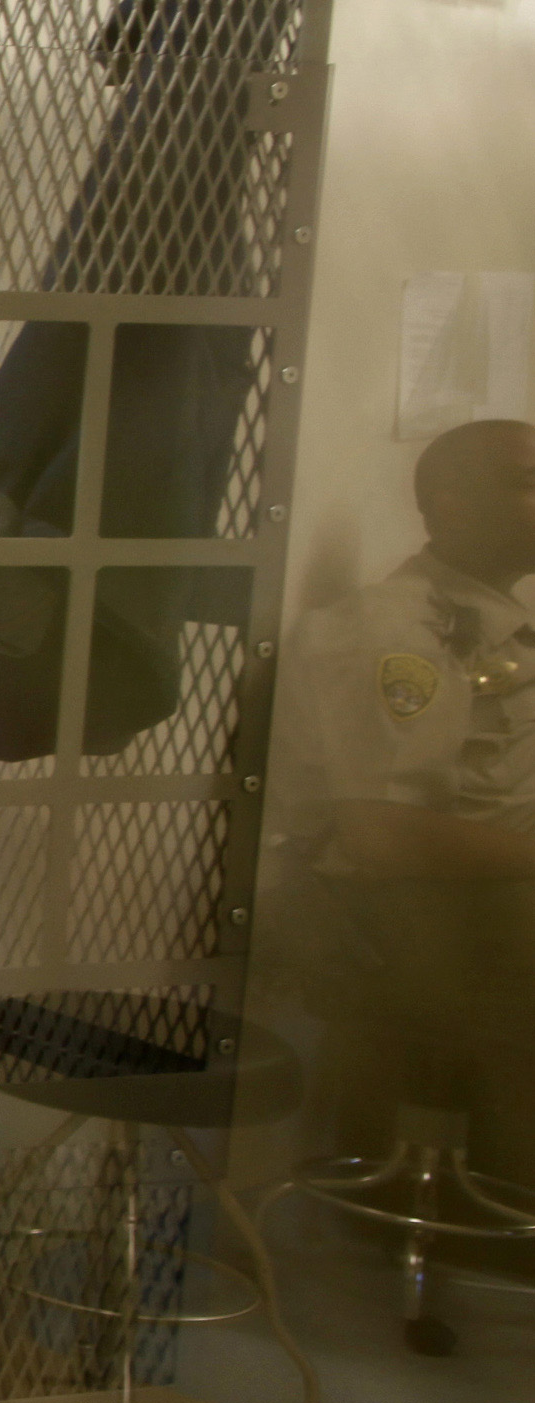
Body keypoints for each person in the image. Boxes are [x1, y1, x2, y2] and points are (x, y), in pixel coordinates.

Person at [278, 416, 535, 1179]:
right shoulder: (397, 631)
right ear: (450, 504)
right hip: (419, 920)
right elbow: (379, 838)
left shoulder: (491, 620)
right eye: (529, 485)